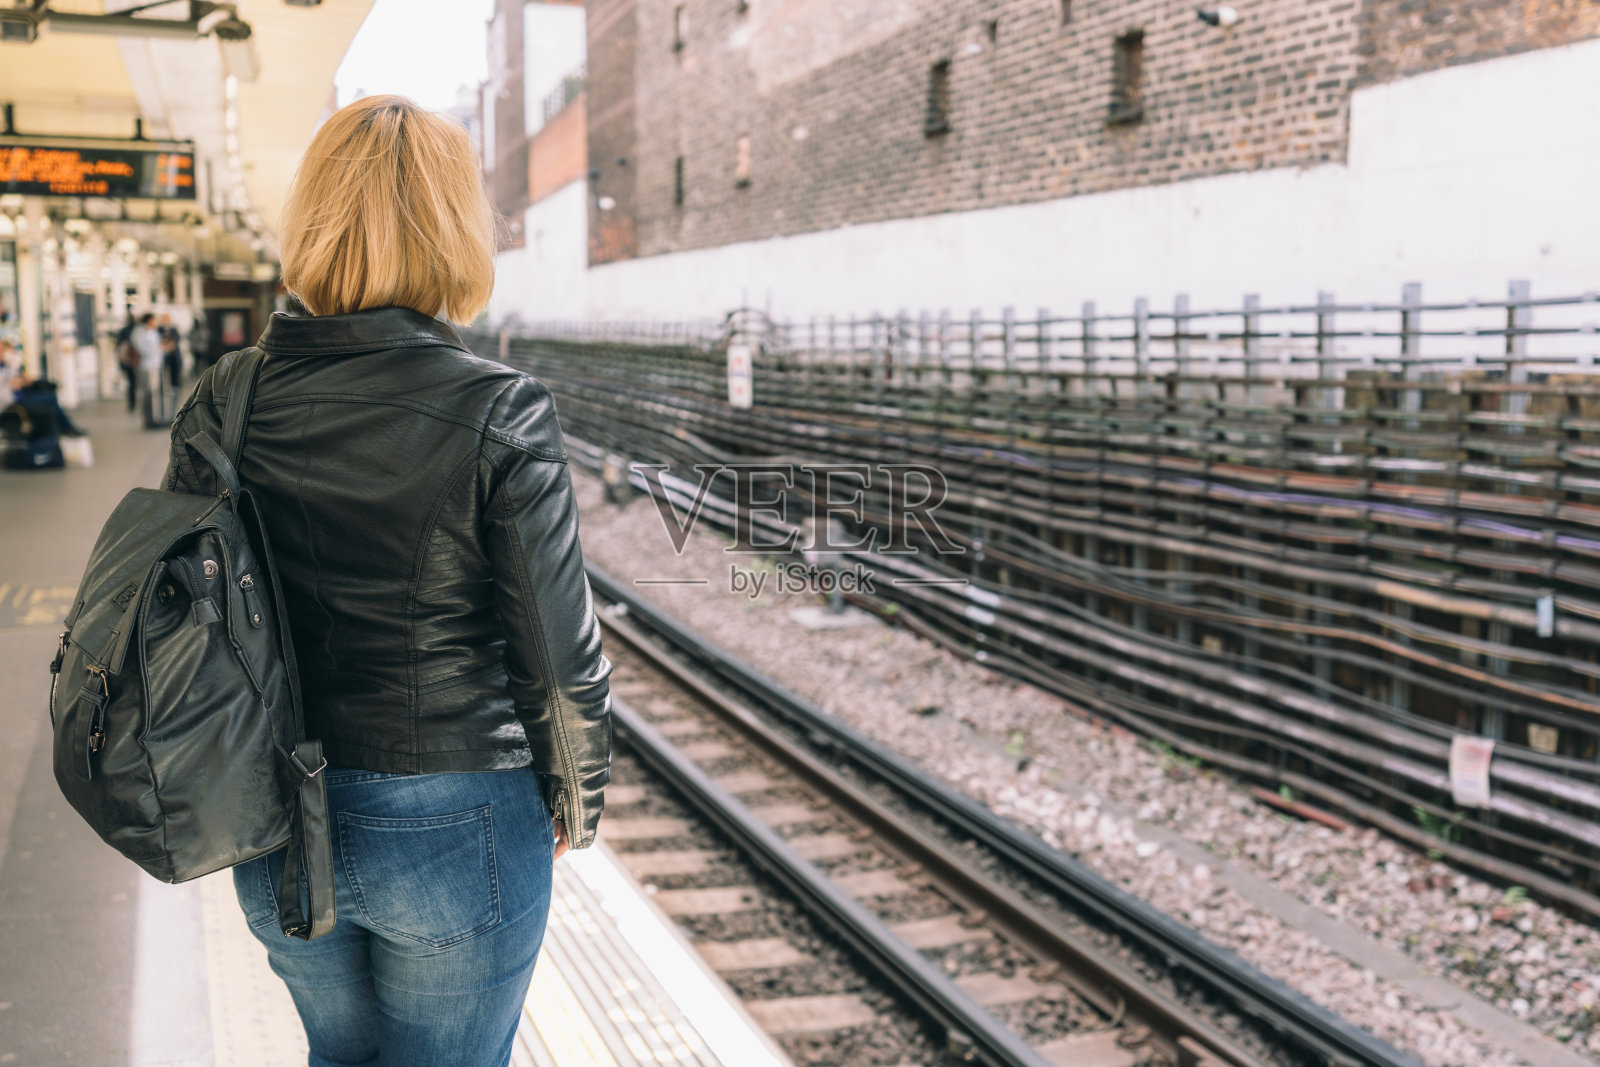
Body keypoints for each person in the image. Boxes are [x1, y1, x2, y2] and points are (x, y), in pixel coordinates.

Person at [160, 95, 612, 1067]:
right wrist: (577, 795)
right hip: (458, 817)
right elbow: (559, 655)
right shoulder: (500, 409)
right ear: (455, 226)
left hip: (272, 809)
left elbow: (186, 622)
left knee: (338, 1054)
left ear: (313, 221)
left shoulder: (224, 399)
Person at [131, 313, 164, 424]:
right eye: (154, 320)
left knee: (155, 392)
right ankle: (147, 418)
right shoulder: (139, 333)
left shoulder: (154, 332)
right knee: (146, 393)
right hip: (145, 366)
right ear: (149, 321)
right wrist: (159, 348)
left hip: (156, 366)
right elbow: (143, 349)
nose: (156, 323)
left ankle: (155, 416)